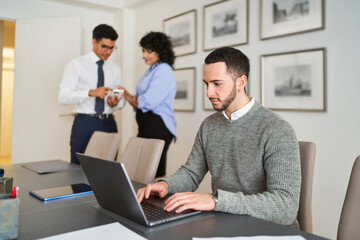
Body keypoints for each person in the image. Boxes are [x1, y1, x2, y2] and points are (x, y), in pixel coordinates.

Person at [137, 47, 301, 227]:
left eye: (217, 84)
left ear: (241, 82)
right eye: (206, 84)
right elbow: (191, 173)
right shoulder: (209, 125)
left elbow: (286, 207)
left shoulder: (276, 129)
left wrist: (216, 200)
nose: (208, 93)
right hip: (225, 223)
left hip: (268, 231)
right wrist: (166, 185)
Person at [58, 24, 125, 164]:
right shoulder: (76, 64)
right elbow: (63, 97)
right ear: (94, 42)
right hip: (85, 123)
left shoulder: (115, 69)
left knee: (109, 169)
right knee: (79, 168)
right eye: (104, 46)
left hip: (109, 123)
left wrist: (116, 103)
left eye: (112, 48)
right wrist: (90, 92)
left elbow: (121, 99)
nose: (108, 52)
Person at [119, 32, 177, 178]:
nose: (144, 55)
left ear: (160, 52)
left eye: (148, 51)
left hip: (158, 125)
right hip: (147, 125)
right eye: (143, 51)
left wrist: (128, 96)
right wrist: (127, 95)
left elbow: (147, 102)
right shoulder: (153, 69)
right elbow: (141, 100)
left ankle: (154, 200)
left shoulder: (164, 70)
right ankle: (141, 199)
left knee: (153, 173)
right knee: (141, 171)